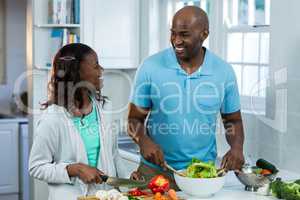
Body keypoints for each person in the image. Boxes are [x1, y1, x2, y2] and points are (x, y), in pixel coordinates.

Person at [128, 6, 245, 189]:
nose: (176, 40)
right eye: (173, 33)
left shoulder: (224, 71)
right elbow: (134, 119)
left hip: (202, 175)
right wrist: (143, 141)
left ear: (204, 34)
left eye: (184, 34)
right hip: (155, 172)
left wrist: (237, 148)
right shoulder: (150, 67)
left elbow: (233, 120)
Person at [29, 43, 134, 200]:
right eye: (96, 65)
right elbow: (36, 167)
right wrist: (75, 169)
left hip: (105, 196)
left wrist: (129, 180)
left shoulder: (104, 108)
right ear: (77, 72)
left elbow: (113, 155)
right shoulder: (52, 118)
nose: (101, 71)